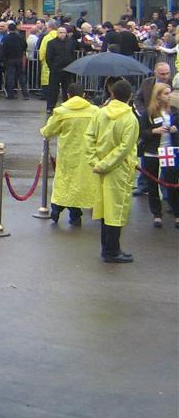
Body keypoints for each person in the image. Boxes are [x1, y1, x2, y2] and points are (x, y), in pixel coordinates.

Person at [86, 80, 140, 263]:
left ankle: (108, 248)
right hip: (119, 169)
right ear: (130, 96)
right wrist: (104, 164)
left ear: (112, 94)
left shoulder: (100, 113)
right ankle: (112, 250)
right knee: (116, 210)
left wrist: (96, 162)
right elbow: (125, 148)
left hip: (100, 168)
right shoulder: (130, 118)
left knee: (104, 209)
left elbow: (89, 137)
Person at [40, 83, 98, 226]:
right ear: (84, 95)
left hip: (67, 154)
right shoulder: (95, 111)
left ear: (68, 95)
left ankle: (57, 209)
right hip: (87, 155)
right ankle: (75, 213)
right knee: (80, 184)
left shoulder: (61, 112)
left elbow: (47, 131)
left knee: (64, 184)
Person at [137, 83, 179, 228]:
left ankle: (176, 213)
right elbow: (141, 132)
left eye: (169, 93)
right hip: (151, 152)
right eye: (166, 93)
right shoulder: (148, 113)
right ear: (158, 95)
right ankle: (157, 214)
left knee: (172, 183)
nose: (169, 96)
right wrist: (155, 131)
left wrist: (175, 129)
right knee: (152, 184)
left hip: (168, 151)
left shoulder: (173, 111)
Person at [44, 26, 76, 113]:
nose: (62, 34)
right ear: (57, 33)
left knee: (67, 89)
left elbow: (72, 54)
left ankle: (67, 106)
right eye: (60, 32)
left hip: (67, 69)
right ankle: (50, 107)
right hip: (55, 69)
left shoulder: (70, 42)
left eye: (64, 32)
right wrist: (52, 67)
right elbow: (48, 57)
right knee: (53, 89)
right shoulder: (51, 43)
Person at [0, 21, 30, 99]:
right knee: (22, 77)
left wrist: (3, 60)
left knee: (10, 78)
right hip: (19, 59)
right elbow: (25, 45)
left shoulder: (6, 38)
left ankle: (11, 94)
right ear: (15, 29)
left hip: (10, 60)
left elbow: (3, 50)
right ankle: (25, 94)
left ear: (8, 29)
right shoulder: (20, 37)